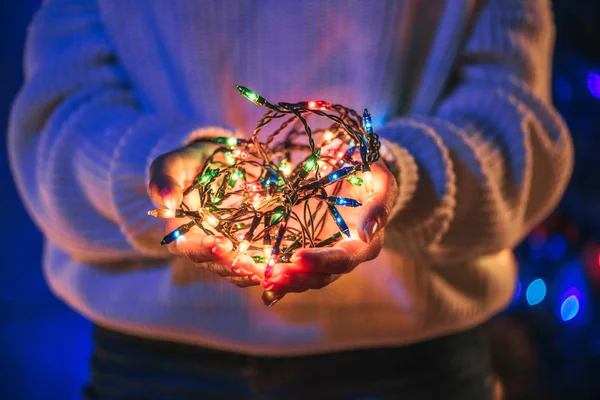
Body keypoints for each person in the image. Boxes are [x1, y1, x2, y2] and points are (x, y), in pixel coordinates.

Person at [9, 0, 572, 398]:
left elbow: (518, 131)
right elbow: (57, 127)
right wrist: (164, 166)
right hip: (153, 372)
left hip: (417, 370)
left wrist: (398, 176)